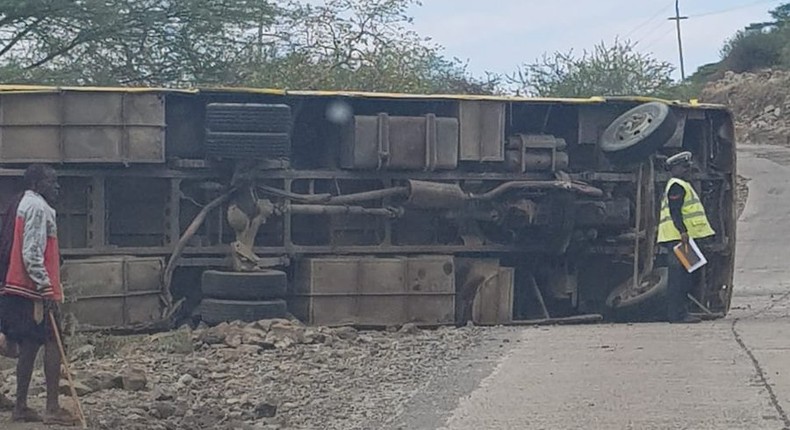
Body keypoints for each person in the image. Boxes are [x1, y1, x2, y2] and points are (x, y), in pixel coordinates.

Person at [0, 164, 77, 425]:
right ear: (36, 183)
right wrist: (45, 287)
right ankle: (52, 408)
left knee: (31, 343)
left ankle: (21, 406)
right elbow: (31, 251)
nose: (56, 187)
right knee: (53, 341)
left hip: (18, 286)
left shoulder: (18, 203)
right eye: (51, 181)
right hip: (33, 289)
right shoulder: (38, 208)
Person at [657, 151, 716, 324]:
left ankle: (681, 311)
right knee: (679, 277)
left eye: (686, 167)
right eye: (683, 167)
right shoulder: (677, 185)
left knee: (689, 273)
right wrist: (682, 231)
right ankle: (677, 315)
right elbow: (675, 211)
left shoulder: (681, 184)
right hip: (678, 239)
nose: (686, 170)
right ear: (674, 169)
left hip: (683, 238)